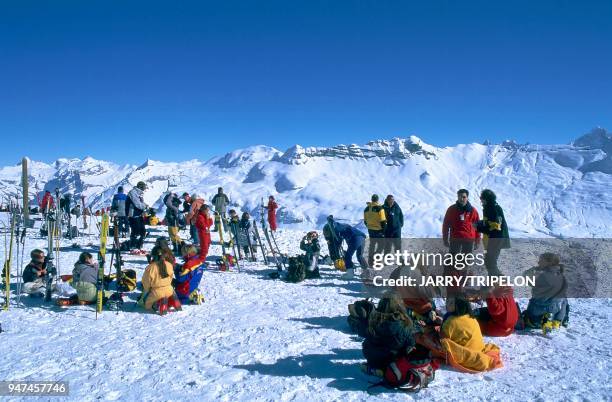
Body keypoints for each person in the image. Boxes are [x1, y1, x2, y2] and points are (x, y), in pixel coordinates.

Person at [439, 297, 502, 373]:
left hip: (466, 354)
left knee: (436, 342)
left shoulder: (450, 321)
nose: (446, 305)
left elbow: (444, 340)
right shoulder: (472, 318)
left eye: (449, 303)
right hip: (479, 349)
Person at [361, 295, 420, 370]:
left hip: (372, 356)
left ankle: (374, 367)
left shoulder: (372, 320)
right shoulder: (403, 323)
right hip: (392, 360)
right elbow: (411, 342)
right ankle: (387, 370)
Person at [523, 253, 569, 331]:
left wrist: (530, 272)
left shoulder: (541, 275)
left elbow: (528, 281)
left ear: (549, 262)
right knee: (564, 299)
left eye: (541, 261)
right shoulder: (561, 275)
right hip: (556, 309)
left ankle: (540, 320)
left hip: (538, 310)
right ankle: (558, 321)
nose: (538, 263)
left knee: (530, 320)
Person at [475, 189, 510, 276]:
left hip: (496, 239)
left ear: (486, 199)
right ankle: (497, 284)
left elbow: (495, 227)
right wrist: (479, 223)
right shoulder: (493, 207)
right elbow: (490, 222)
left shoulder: (491, 208)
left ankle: (500, 285)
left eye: (482, 198)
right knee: (489, 261)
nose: (481, 200)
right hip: (497, 239)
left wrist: (478, 227)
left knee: (490, 262)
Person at [140, 246, 181, 315]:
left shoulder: (150, 268)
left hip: (156, 292)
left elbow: (145, 283)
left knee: (146, 305)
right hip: (169, 290)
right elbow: (171, 278)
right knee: (166, 292)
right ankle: (172, 300)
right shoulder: (169, 264)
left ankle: (157, 304)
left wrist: (146, 290)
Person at [443, 189, 480, 254]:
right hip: (455, 238)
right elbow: (446, 225)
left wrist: (477, 241)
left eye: (464, 197)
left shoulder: (473, 211)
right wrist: (445, 239)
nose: (462, 199)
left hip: (469, 239)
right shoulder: (451, 209)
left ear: (467, 198)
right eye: (460, 196)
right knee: (452, 260)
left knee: (466, 261)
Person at [364, 194, 387, 266]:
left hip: (370, 229)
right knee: (381, 245)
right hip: (379, 230)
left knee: (372, 245)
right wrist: (384, 231)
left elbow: (365, 221)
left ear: (371, 199)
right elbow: (383, 221)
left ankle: (370, 261)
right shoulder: (380, 208)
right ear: (377, 200)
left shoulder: (366, 209)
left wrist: (369, 226)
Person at [127, 181, 148, 250]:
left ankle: (138, 246)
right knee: (136, 231)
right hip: (133, 214)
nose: (144, 190)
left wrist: (146, 206)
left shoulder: (139, 193)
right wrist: (145, 207)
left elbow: (141, 203)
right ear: (140, 187)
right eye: (144, 188)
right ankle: (133, 245)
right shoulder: (133, 192)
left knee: (142, 231)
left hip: (138, 214)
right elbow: (137, 204)